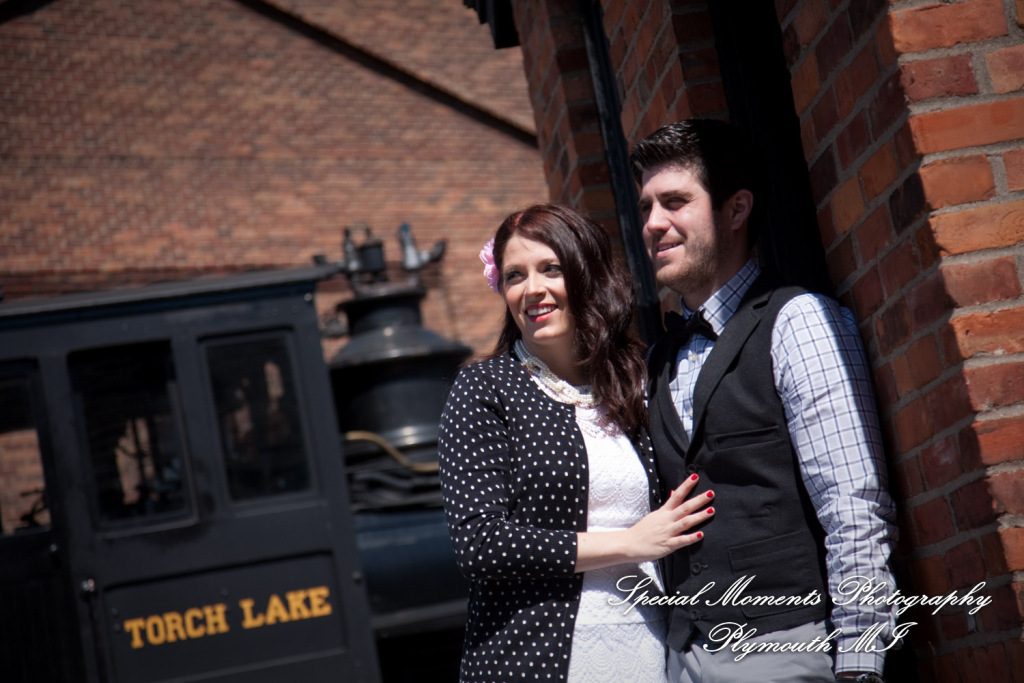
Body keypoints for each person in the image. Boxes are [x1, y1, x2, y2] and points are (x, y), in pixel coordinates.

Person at [630, 119, 897, 683]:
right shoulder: (660, 357)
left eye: (675, 201)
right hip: (683, 657)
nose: (654, 223)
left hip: (786, 651)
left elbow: (854, 507)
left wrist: (859, 665)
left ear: (736, 209)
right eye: (647, 206)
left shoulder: (798, 321)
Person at [438, 203, 716, 683]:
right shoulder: (485, 388)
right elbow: (480, 544)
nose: (533, 290)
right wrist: (629, 543)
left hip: (653, 648)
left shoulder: (633, 378)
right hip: (537, 658)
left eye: (551, 269)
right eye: (515, 276)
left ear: (586, 275)